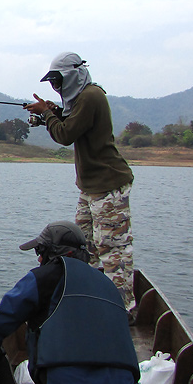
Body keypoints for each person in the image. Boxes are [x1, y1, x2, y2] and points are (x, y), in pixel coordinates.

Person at [0, 221, 140, 384]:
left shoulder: (42, 278)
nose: (38, 258)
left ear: (55, 254)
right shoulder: (109, 285)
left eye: (40, 251)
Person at [24, 52, 136, 310]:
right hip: (90, 189)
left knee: (113, 250)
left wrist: (48, 115)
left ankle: (123, 310)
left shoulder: (91, 96)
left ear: (71, 76)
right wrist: (51, 112)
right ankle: (94, 300)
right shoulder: (82, 100)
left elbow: (65, 134)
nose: (56, 87)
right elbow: (71, 123)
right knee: (84, 247)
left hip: (107, 186)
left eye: (57, 81)